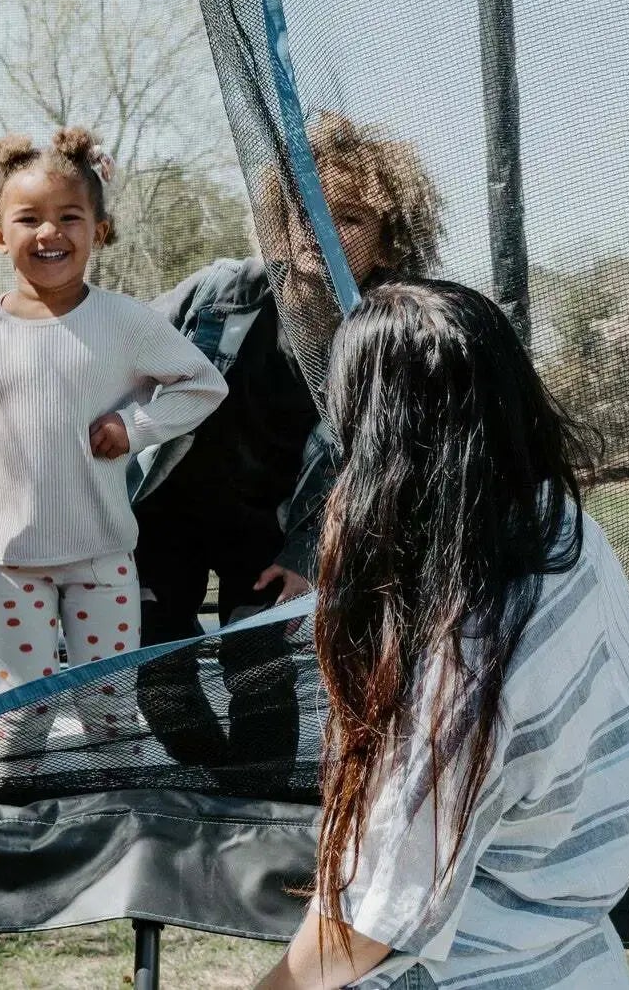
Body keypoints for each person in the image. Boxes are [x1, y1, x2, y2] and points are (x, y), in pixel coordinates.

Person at [257, 280, 629, 989]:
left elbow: (372, 923)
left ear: (378, 443)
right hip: (580, 960)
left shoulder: (467, 657)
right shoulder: (566, 530)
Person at [132, 112, 442, 781]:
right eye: (304, 207)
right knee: (159, 677)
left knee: (257, 668)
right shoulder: (222, 290)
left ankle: (258, 802)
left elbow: (368, 465)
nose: (317, 227)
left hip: (266, 534)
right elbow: (117, 349)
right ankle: (224, 790)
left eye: (350, 216)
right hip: (166, 519)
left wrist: (308, 557)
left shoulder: (380, 335)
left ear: (390, 241)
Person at [0, 128, 227, 763]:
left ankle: (115, 831)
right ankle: (14, 827)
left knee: (108, 710)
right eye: (29, 219)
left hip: (102, 557)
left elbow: (205, 385)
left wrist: (136, 429)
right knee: (24, 708)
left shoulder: (126, 322)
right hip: (11, 559)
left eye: (69, 217)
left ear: (98, 229)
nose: (50, 233)